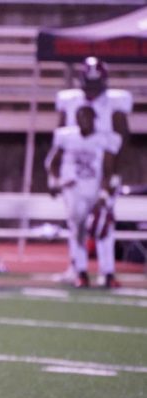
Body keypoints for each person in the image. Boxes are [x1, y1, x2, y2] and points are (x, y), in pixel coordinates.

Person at [53, 56, 132, 285]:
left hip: (102, 174)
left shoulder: (113, 107)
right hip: (76, 178)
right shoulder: (70, 114)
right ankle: (79, 270)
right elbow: (57, 148)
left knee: (104, 223)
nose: (92, 90)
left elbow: (122, 141)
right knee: (76, 225)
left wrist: (114, 178)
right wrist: (57, 178)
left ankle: (107, 272)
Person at [48, 106, 122, 289]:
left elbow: (110, 168)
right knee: (78, 232)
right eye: (80, 117)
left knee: (104, 230)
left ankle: (108, 272)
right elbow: (53, 163)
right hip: (75, 191)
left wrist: (105, 194)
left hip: (97, 190)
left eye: (87, 117)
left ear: (94, 118)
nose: (84, 121)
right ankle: (80, 272)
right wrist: (55, 182)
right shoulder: (67, 137)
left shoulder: (104, 139)